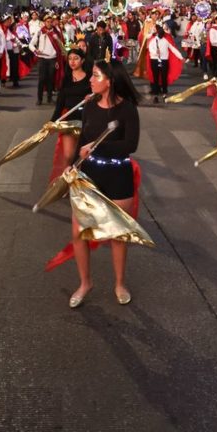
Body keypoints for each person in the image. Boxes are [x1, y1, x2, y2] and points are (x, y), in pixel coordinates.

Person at [68, 60, 141, 309]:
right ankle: (85, 282)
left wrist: (99, 146)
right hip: (89, 175)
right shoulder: (89, 105)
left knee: (117, 235)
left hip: (118, 174)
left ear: (109, 81)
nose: (90, 79)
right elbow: (83, 140)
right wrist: (71, 164)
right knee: (79, 233)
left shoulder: (127, 109)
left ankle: (119, 283)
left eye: (96, 75)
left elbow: (131, 145)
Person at [50, 49, 90, 177]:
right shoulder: (66, 78)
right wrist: (53, 121)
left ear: (82, 60)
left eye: (76, 58)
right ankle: (67, 179)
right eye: (70, 58)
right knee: (68, 155)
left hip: (86, 120)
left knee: (83, 155)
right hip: (69, 120)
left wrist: (92, 98)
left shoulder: (90, 78)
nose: (72, 61)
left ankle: (79, 180)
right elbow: (60, 102)